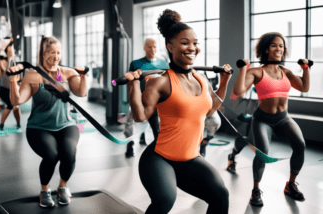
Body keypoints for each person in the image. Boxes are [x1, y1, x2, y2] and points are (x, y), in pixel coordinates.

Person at [126, 9, 232, 214]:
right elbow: (140, 116)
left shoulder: (202, 79)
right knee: (165, 200)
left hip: (191, 158)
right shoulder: (160, 82)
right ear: (170, 46)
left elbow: (210, 111)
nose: (192, 48)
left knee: (221, 195)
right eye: (185, 43)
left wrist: (225, 82)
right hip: (160, 158)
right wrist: (133, 87)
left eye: (195, 43)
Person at [228, 32, 310, 206]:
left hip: (283, 118)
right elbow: (238, 92)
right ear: (266, 49)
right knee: (263, 152)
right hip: (263, 120)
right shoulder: (256, 71)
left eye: (281, 46)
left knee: (300, 145)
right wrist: (243, 69)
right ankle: (256, 189)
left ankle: (291, 184)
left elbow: (304, 86)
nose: (278, 49)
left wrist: (305, 69)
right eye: (274, 45)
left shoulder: (286, 71)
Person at [7, 36, 88, 207]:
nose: (56, 56)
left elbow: (81, 93)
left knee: (69, 153)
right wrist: (14, 79)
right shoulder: (32, 76)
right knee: (52, 155)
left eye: (58, 52)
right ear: (43, 54)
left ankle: (62, 187)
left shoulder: (67, 73)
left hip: (66, 124)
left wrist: (83, 76)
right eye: (52, 53)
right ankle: (45, 190)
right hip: (39, 127)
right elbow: (17, 101)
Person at [124, 38, 169, 157]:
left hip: (155, 102)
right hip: (139, 99)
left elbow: (167, 84)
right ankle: (130, 146)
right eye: (149, 47)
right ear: (144, 48)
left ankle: (159, 153)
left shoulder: (163, 64)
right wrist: (132, 99)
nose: (152, 49)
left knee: (157, 128)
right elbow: (131, 83)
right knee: (130, 125)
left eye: (154, 47)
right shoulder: (135, 63)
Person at [0, 39, 21, 131]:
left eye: (12, 50)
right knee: (10, 105)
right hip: (4, 89)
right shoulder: (3, 60)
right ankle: (1, 125)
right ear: (6, 51)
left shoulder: (16, 60)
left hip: (14, 88)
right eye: (9, 50)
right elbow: (5, 70)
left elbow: (19, 74)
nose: (11, 52)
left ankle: (18, 124)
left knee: (16, 106)